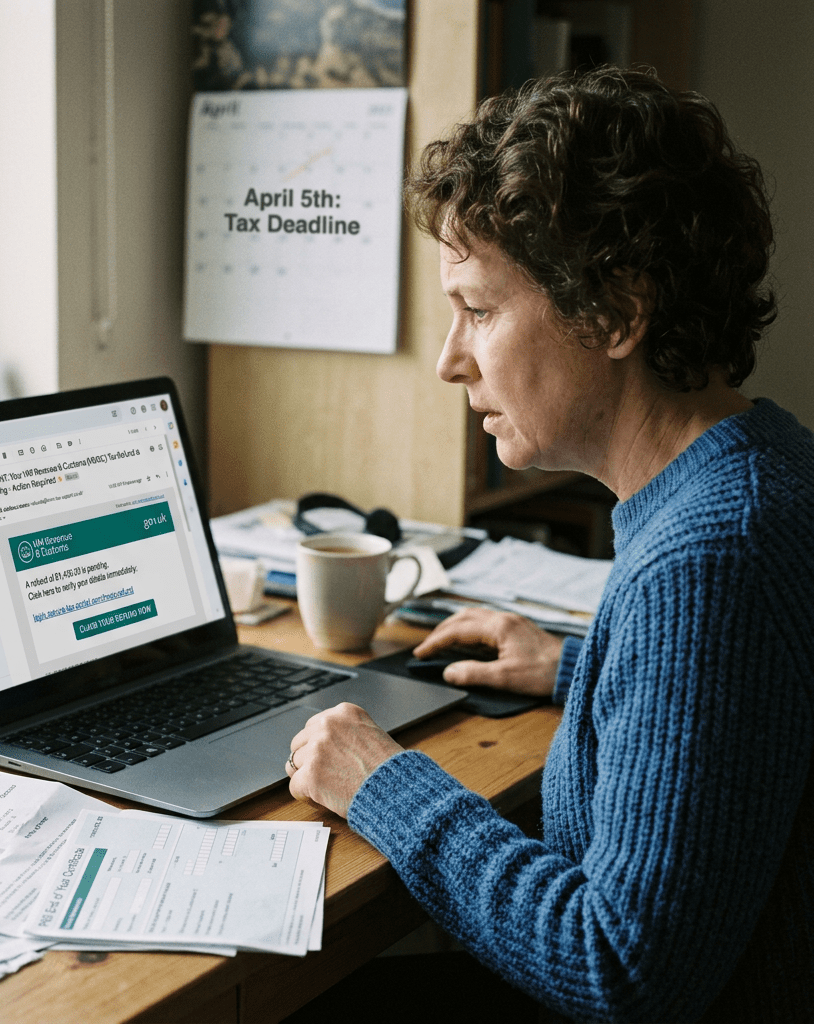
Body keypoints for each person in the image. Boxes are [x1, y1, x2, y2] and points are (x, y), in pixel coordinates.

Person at [284, 67, 813, 1022]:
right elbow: (750, 726)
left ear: (614, 310)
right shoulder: (763, 465)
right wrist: (585, 670)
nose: (451, 359)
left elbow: (623, 968)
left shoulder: (706, 564)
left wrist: (386, 786)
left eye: (478, 310)